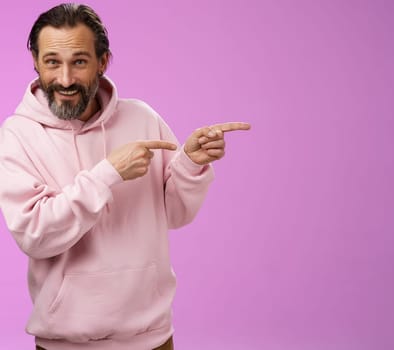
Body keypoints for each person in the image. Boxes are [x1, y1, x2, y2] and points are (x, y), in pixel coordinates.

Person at [0, 3, 250, 349]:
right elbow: (35, 235)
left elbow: (175, 214)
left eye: (80, 62)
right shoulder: (17, 135)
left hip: (152, 337)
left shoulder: (142, 117)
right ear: (35, 61)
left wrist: (190, 164)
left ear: (103, 62)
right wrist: (108, 173)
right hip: (65, 342)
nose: (66, 79)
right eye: (52, 62)